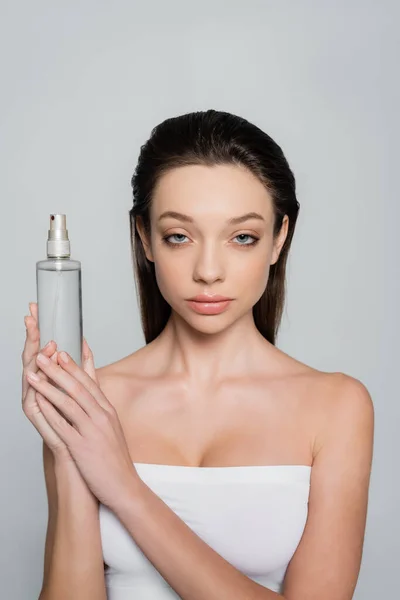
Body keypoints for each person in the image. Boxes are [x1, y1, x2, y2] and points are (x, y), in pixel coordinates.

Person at [22, 109, 374, 600]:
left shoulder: (336, 407)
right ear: (145, 238)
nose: (208, 270)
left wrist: (124, 488)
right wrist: (68, 453)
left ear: (279, 238)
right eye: (179, 236)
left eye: (242, 237)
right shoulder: (92, 400)